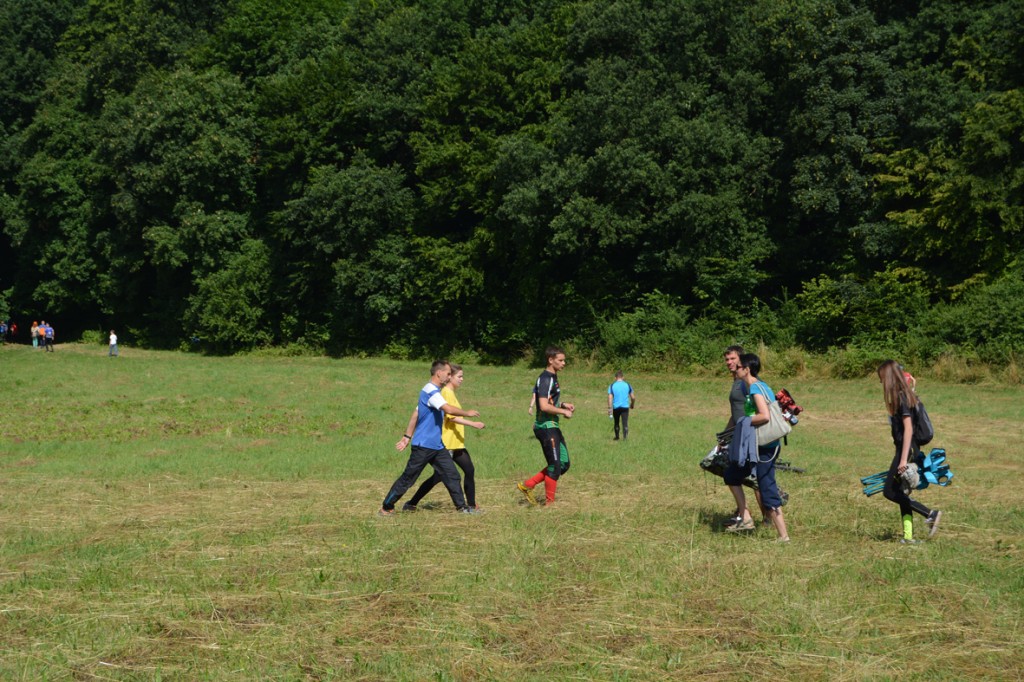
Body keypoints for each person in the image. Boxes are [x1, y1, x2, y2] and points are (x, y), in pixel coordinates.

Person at [379, 361, 483, 516]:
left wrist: (407, 436)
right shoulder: (430, 391)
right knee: (408, 478)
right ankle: (386, 507)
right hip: (423, 446)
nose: (449, 377)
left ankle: (462, 508)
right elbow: (447, 409)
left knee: (452, 475)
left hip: (437, 446)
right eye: (448, 373)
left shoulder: (435, 392)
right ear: (438, 373)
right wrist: (467, 413)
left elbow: (415, 414)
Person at [723, 353, 790, 542]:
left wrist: (745, 421)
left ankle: (783, 535)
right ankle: (745, 518)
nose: (735, 368)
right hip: (757, 446)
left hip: (766, 447)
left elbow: (764, 416)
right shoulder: (756, 386)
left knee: (766, 486)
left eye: (739, 366)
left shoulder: (755, 389)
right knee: (731, 474)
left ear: (747, 369)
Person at [877, 360, 942, 543]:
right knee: (900, 492)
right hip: (908, 448)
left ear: (889, 377)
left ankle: (930, 514)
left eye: (882, 378)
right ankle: (908, 536)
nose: (881, 383)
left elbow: (908, 429)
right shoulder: (905, 394)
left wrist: (903, 460)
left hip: (906, 450)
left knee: (889, 492)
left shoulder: (901, 397)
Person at [517, 346, 574, 506]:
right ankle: (550, 506)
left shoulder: (553, 377)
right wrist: (563, 412)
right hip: (545, 427)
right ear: (551, 360)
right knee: (555, 466)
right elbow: (543, 405)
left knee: (563, 464)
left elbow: (550, 400)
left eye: (564, 360)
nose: (564, 363)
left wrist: (563, 404)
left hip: (553, 425)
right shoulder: (545, 378)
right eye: (560, 360)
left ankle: (528, 485)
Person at [720, 345, 765, 527]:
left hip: (750, 435)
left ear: (742, 360)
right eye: (727, 360)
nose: (729, 363)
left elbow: (758, 407)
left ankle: (756, 516)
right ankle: (749, 514)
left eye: (733, 359)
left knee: (752, 477)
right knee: (746, 476)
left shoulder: (747, 382)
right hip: (739, 433)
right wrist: (725, 435)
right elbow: (736, 412)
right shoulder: (737, 380)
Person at [607, 371, 635, 440]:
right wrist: (632, 404)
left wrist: (610, 409)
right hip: (625, 407)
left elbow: (610, 398)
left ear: (615, 378)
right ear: (623, 377)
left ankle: (617, 437)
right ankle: (625, 438)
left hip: (616, 407)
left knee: (616, 422)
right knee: (625, 423)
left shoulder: (612, 386)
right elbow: (633, 397)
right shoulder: (628, 385)